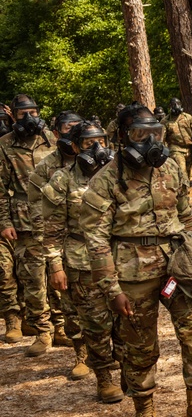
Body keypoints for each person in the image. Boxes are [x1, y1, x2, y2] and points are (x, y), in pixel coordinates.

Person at [79, 103, 192, 417]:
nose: (149, 142)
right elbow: (96, 239)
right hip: (132, 272)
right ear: (122, 137)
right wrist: (111, 288)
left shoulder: (172, 168)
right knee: (140, 346)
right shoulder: (106, 179)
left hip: (177, 265)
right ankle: (145, 412)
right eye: (139, 134)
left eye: (154, 134)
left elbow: (187, 216)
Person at [41, 121, 124, 399]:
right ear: (75, 147)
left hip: (119, 259)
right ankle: (104, 376)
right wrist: (55, 266)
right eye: (89, 143)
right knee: (95, 323)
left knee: (126, 321)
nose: (97, 148)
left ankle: (128, 369)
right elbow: (51, 229)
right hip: (81, 261)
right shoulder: (62, 180)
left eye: (101, 140)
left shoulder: (120, 174)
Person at [0, 95, 61, 355]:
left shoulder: (52, 139)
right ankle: (42, 332)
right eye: (23, 113)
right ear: (13, 115)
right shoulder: (4, 144)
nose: (30, 118)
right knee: (33, 280)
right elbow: (1, 189)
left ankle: (62, 328)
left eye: (34, 112)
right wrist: (4, 221)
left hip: (55, 218)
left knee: (59, 275)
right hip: (24, 220)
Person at [25, 110, 84, 364]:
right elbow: (36, 204)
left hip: (92, 242)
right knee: (55, 289)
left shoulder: (102, 163)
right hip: (55, 236)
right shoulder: (47, 166)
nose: (72, 133)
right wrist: (49, 243)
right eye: (67, 129)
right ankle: (53, 333)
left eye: (77, 128)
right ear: (57, 133)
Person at [164, 98, 192, 181]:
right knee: (181, 171)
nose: (176, 106)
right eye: (173, 105)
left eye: (178, 104)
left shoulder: (188, 117)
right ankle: (184, 193)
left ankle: (184, 191)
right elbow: (161, 138)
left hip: (190, 148)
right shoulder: (165, 121)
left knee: (187, 173)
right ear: (170, 107)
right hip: (176, 149)